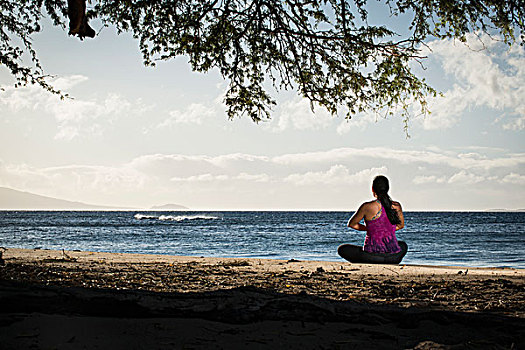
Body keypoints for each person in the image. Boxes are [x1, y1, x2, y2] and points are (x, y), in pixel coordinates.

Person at [338, 175, 408, 264]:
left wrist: (370, 229)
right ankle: (385, 259)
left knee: (342, 249)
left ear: (373, 189)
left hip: (371, 256)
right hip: (393, 258)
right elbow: (400, 225)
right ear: (387, 189)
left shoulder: (367, 206)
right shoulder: (396, 206)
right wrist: (387, 229)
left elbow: (352, 224)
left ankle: (372, 259)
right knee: (403, 245)